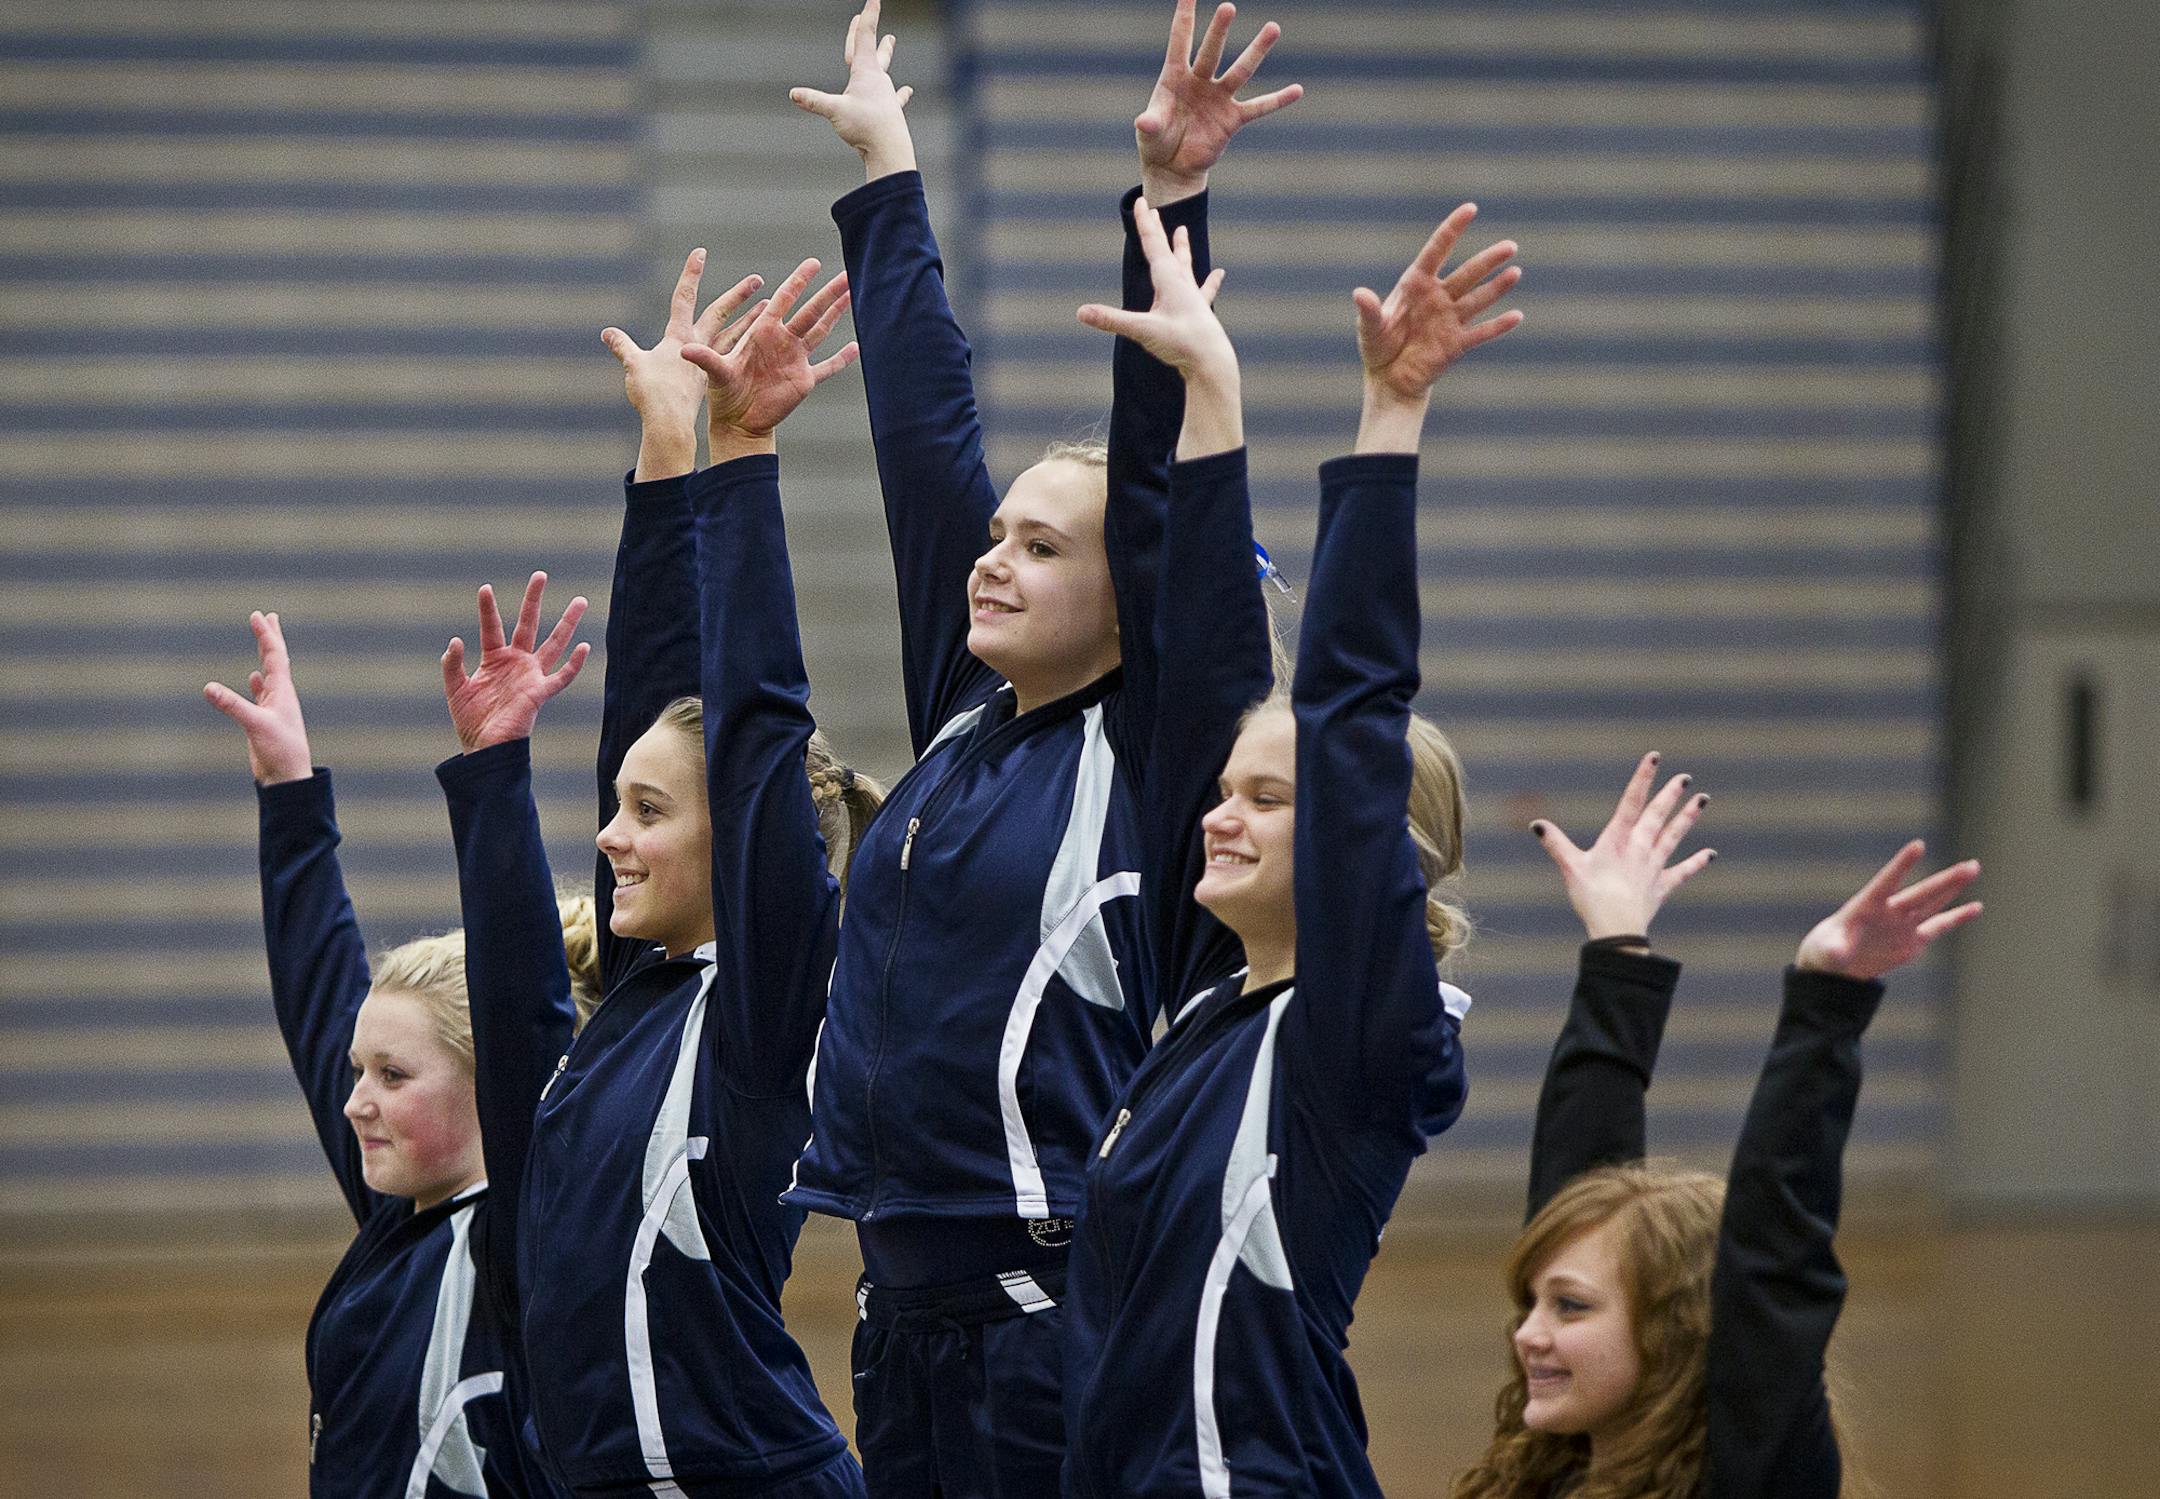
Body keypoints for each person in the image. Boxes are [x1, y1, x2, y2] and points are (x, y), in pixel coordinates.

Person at [779, 2, 1302, 1489]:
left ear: (1131, 602)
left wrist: (1169, 201)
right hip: (899, 1315)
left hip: (1052, 1318)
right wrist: (884, 171)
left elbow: (1159, 497)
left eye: (1041, 546)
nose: (992, 562)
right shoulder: (964, 705)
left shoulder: (1155, 753)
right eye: (996, 539)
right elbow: (923, 435)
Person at [1059, 198, 1524, 1498]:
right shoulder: (1199, 1004)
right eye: (1228, 790)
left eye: (1272, 799)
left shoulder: (1360, 1038)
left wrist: (1391, 417)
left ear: (1368, 848)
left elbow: (1351, 703)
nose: (1221, 812)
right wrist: (1209, 393)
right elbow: (1202, 649)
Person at [431, 259, 873, 1498]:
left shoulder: (764, 1009)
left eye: (646, 814)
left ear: (738, 832)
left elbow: (744, 718)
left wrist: (737, 465)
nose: (611, 840)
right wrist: (664, 450)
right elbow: (655, 703)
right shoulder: (632, 1006)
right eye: (611, 809)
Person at [1446, 797, 1982, 1499]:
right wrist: (1617, 946)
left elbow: (1773, 1259)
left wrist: (1826, 1002)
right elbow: (1574, 1189)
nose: (1528, 1335)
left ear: (1677, 1329)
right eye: (1534, 1303)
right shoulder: (1550, 1465)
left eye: (1569, 1307)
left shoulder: (1748, 1474)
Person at [205, 608, 591, 1498]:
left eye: (393, 1076)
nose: (356, 1100)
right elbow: (319, 996)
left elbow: (523, 1010)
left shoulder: (525, 1245)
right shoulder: (403, 1212)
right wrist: (289, 792)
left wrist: (496, 770)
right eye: (360, 1072)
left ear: (490, 1084)